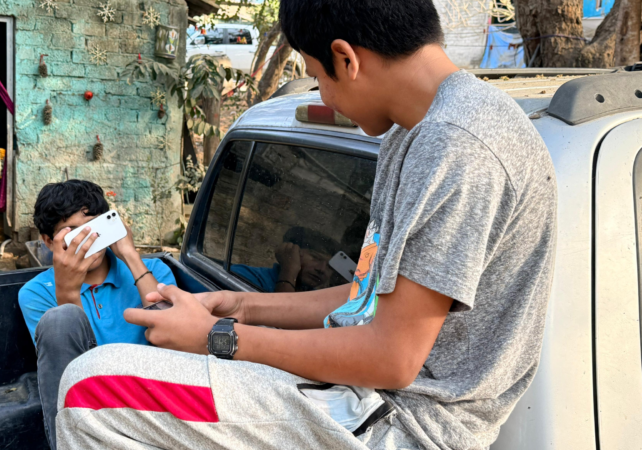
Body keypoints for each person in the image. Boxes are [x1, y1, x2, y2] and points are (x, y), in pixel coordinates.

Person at [55, 1, 557, 448]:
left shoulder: (458, 144)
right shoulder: (415, 131)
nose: (324, 95)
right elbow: (368, 296)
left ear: (346, 58)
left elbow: (392, 357)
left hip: (400, 422)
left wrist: (218, 335)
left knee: (90, 388)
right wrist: (239, 305)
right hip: (361, 397)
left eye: (317, 74)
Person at [17, 180, 176, 450]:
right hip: (91, 409)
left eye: (95, 229)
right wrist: (68, 289)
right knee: (59, 319)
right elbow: (72, 370)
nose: (88, 241)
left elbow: (175, 337)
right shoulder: (36, 293)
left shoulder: (152, 271)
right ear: (47, 241)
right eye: (74, 234)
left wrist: (130, 254)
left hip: (157, 400)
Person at [231, 226, 337, 292]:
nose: (322, 269)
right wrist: (289, 271)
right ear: (291, 251)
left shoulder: (317, 300)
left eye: (330, 267)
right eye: (315, 257)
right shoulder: (244, 277)